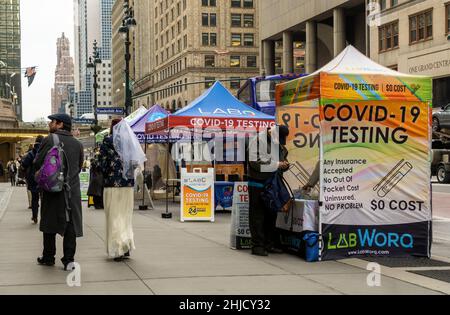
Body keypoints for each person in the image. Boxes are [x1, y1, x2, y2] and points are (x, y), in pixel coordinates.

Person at [34, 114, 84, 271]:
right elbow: (79, 166)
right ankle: (69, 261)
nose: (50, 123)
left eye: (53, 121)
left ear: (61, 124)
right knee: (71, 226)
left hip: (52, 189)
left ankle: (48, 257)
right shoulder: (78, 144)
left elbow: (37, 162)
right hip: (72, 191)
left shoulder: (49, 139)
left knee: (49, 223)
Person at [247, 125, 290, 257]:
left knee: (272, 214)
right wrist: (277, 164)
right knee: (258, 215)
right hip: (258, 183)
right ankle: (257, 246)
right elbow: (255, 163)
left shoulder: (277, 143)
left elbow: (282, 159)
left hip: (273, 183)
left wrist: (284, 164)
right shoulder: (257, 141)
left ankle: (269, 243)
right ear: (272, 133)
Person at [97, 119, 135, 261]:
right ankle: (126, 247)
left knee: (114, 217)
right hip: (127, 185)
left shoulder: (107, 141)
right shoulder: (130, 141)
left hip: (112, 185)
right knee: (125, 217)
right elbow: (135, 163)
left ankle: (117, 248)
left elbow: (102, 164)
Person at [21, 135, 44, 224]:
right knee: (44, 199)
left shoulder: (31, 153)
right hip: (43, 178)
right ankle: (44, 218)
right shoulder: (45, 152)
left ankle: (35, 216)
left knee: (34, 199)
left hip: (33, 178)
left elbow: (24, 165)